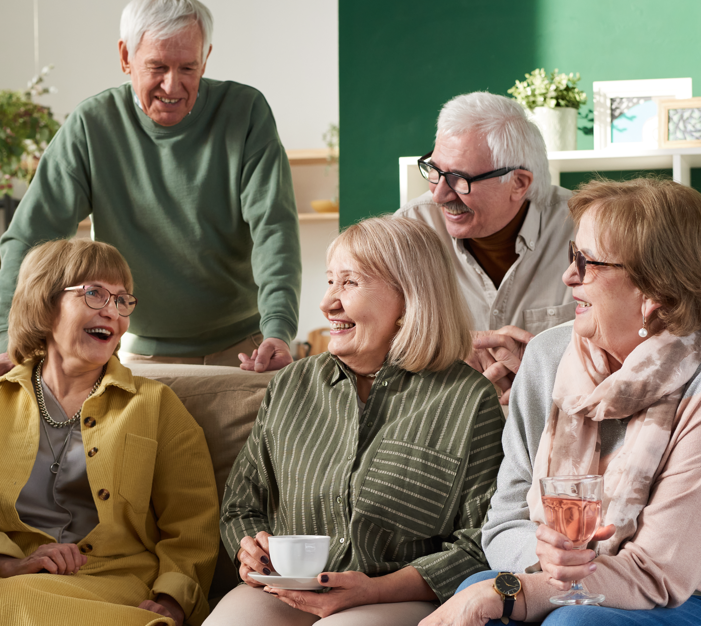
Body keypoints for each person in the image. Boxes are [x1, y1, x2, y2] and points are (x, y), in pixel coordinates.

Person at [423, 178, 701, 626]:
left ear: (655, 291)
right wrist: (545, 558)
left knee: (572, 622)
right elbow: (504, 522)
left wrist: (519, 592)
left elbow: (659, 574)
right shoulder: (548, 357)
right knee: (476, 589)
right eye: (572, 255)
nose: (568, 276)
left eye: (587, 263)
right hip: (575, 581)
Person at [0, 239, 220, 626]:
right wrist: (13, 565)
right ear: (45, 302)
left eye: (122, 300)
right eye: (95, 294)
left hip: (112, 580)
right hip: (8, 574)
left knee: (16, 604)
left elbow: (193, 522)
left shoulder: (155, 405)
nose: (113, 312)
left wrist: (173, 600)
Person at [0, 0, 301, 382]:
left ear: (205, 58)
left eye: (188, 68)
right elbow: (30, 239)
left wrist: (278, 328)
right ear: (126, 56)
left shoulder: (245, 113)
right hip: (135, 350)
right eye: (157, 67)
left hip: (242, 348)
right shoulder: (92, 126)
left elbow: (274, 229)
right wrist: (8, 344)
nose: (172, 85)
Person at [210, 216, 505, 626]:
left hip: (393, 596)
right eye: (331, 281)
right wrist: (249, 548)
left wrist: (374, 589)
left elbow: (481, 543)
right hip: (287, 588)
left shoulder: (468, 400)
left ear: (408, 298)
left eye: (348, 283)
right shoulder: (293, 384)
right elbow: (242, 505)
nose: (327, 302)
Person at [396, 92, 575, 404]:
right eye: (434, 171)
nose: (439, 195)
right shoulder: (410, 228)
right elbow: (377, 328)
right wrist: (448, 344)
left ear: (519, 183)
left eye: (458, 179)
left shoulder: (587, 228)